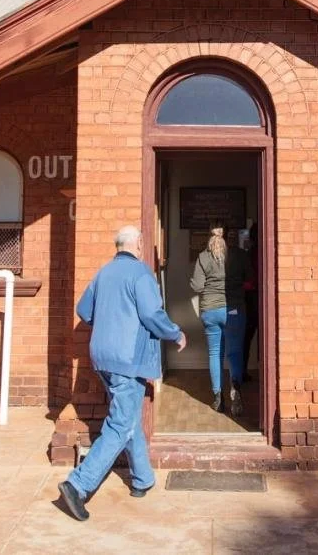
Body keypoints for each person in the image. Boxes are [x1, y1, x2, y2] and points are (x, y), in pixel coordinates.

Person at [58, 225, 187, 523]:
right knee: (119, 425)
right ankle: (77, 485)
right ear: (138, 244)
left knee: (127, 419)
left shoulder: (103, 273)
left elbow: (84, 310)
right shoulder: (141, 274)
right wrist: (176, 334)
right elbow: (153, 315)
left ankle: (142, 479)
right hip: (127, 359)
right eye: (142, 243)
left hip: (101, 357)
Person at [190, 223, 253, 416]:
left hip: (210, 310)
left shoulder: (203, 257)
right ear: (229, 236)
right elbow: (250, 281)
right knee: (235, 353)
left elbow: (198, 287)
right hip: (233, 310)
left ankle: (218, 398)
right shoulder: (240, 255)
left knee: (215, 353)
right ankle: (235, 390)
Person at [241, 224, 259, 382]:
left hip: (251, 298)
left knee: (246, 338)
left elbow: (247, 278)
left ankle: (242, 371)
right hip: (261, 298)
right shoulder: (266, 251)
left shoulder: (249, 254)